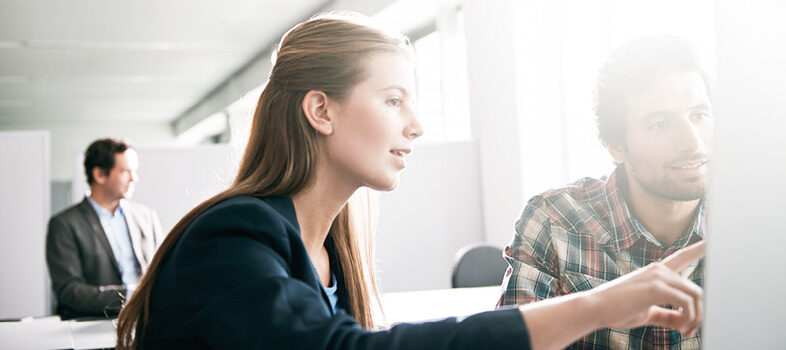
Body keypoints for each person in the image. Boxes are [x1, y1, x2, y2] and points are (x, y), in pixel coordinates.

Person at [116, 15, 704, 350]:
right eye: (394, 100)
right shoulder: (232, 238)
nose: (416, 126)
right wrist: (596, 307)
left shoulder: (329, 253)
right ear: (321, 111)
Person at [497, 36, 712, 349]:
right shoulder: (553, 220)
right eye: (660, 124)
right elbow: (511, 345)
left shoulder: (757, 224)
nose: (693, 143)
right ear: (615, 145)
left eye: (699, 115)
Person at [46, 138, 164, 319]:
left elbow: (161, 271)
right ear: (100, 175)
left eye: (135, 171)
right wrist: (132, 297)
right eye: (126, 171)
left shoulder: (146, 216)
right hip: (91, 329)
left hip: (147, 324)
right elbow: (69, 291)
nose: (134, 178)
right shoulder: (65, 224)